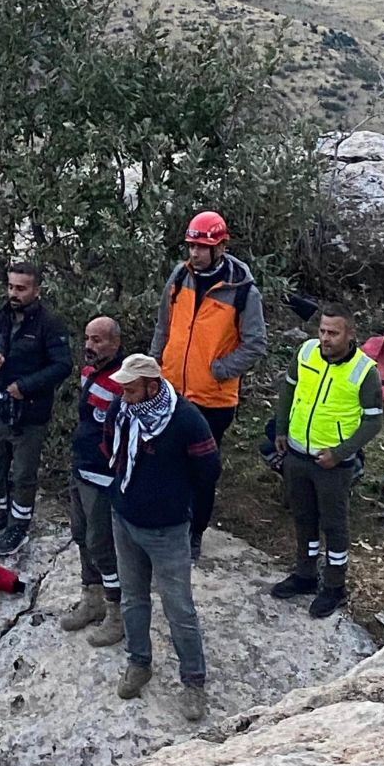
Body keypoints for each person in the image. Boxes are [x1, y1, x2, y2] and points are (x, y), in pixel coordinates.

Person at [103, 354, 221, 721]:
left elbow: (209, 471)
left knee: (179, 609)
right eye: (122, 389)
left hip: (167, 531)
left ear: (152, 387)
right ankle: (139, 662)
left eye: (131, 389)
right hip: (124, 518)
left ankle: (193, 682)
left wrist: (177, 503)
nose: (124, 396)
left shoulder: (185, 420)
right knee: (133, 599)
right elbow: (108, 446)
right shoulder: (122, 409)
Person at [150, 211, 266, 559]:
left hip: (213, 400)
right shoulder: (179, 276)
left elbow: (256, 344)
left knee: (203, 469)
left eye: (203, 247)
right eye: (192, 246)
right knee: (166, 461)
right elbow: (163, 325)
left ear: (220, 247)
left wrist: (219, 370)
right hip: (171, 390)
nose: (196, 253)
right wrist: (157, 363)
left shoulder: (242, 288)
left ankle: (195, 532)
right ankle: (168, 522)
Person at [271, 303, 384, 619]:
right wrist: (281, 428)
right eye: (322, 331)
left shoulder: (364, 372)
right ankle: (305, 574)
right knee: (303, 517)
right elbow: (288, 391)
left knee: (334, 526)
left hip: (332, 464)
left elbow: (373, 422)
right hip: (297, 455)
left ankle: (335, 586)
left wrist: (341, 453)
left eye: (333, 333)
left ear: (350, 334)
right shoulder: (306, 353)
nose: (325, 338)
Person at [0, 262, 73, 556]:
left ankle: (19, 526)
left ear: (36, 290)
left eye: (21, 288)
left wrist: (26, 385)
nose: (14, 293)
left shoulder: (50, 324)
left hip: (31, 414)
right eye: (11, 287)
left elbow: (63, 366)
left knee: (24, 475)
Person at [60, 315, 125, 647]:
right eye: (87, 338)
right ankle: (92, 597)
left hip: (103, 478)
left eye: (97, 340)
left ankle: (117, 612)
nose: (89, 346)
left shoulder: (124, 381)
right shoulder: (89, 372)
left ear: (115, 343)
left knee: (102, 542)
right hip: (80, 468)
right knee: (81, 534)